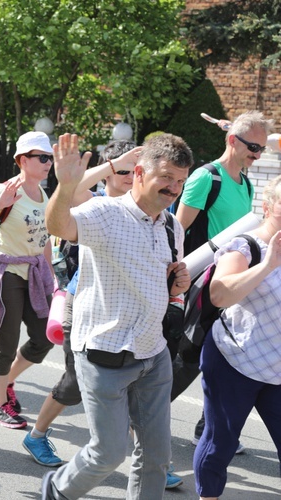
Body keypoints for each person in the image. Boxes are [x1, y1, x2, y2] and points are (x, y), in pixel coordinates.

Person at [42, 133, 193, 499]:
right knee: (108, 453)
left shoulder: (172, 226)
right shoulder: (105, 212)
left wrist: (177, 284)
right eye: (166, 178)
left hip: (153, 354)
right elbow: (58, 226)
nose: (173, 188)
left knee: (157, 458)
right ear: (139, 172)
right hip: (103, 354)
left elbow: (165, 285)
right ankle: (57, 490)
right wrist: (65, 186)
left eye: (180, 181)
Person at [20, 140, 140, 459]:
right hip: (84, 305)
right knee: (75, 382)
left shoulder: (145, 210)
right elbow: (71, 190)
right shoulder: (93, 201)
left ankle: (151, 455)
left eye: (134, 170)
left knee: (135, 381)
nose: (129, 176)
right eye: (122, 170)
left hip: (126, 309)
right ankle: (37, 435)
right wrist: (115, 163)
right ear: (108, 173)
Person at [173, 110, 274, 447]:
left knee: (226, 355)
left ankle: (209, 429)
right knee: (187, 360)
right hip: (202, 284)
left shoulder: (245, 182)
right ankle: (139, 420)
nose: (257, 155)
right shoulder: (206, 178)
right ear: (232, 141)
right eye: (253, 148)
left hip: (234, 284)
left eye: (261, 149)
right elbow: (176, 231)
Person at [194, 175, 281, 500]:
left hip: (276, 369)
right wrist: (268, 264)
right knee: (221, 442)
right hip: (235, 361)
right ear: (267, 206)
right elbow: (218, 294)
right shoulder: (247, 246)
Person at [0, 131, 56, 430]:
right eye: (42, 157)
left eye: (50, 158)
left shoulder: (45, 194)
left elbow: (45, 239)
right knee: (6, 342)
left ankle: (5, 380)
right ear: (22, 160)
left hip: (34, 272)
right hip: (5, 271)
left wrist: (51, 277)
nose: (48, 163)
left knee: (45, 337)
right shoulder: (7, 188)